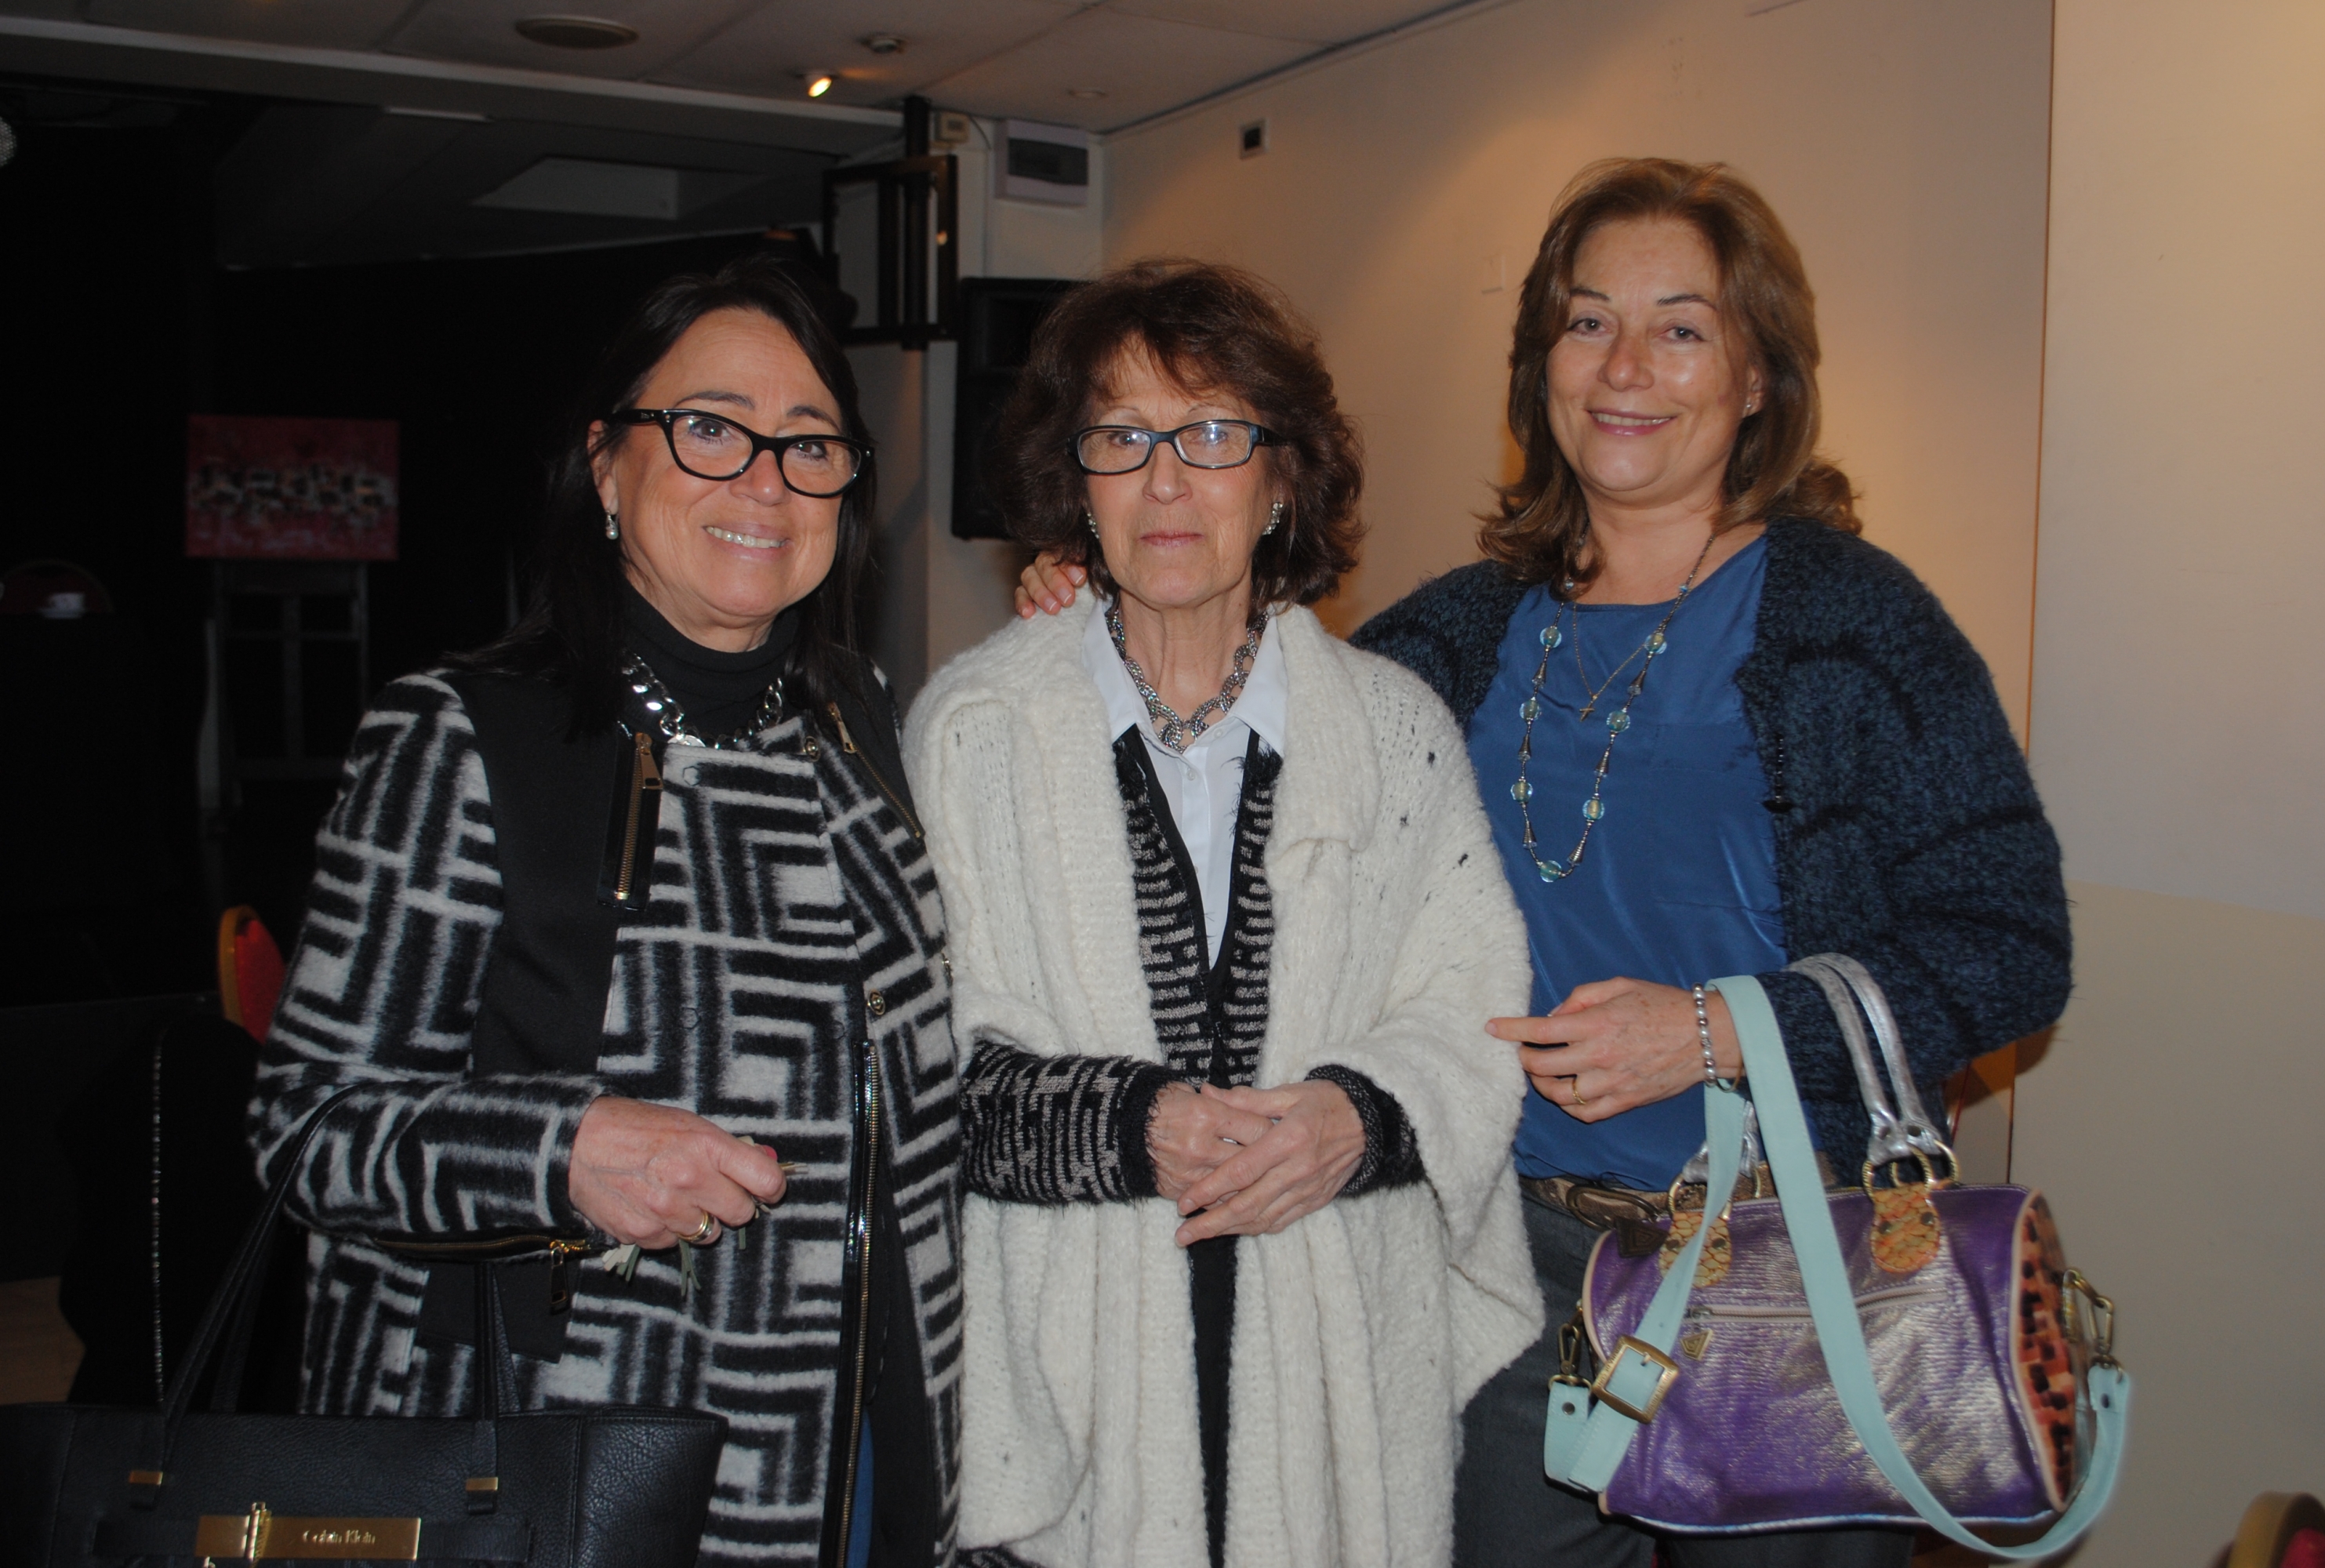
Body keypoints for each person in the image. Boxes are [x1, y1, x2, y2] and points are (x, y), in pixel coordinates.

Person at [1020, 160, 2072, 1566]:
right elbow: (1241, 750)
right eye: (1588, 324)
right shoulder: (1454, 631)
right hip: (1498, 1274)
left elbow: (2010, 941)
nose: (1627, 366)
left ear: (1758, 378)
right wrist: (1108, 621)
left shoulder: (1857, 624)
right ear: (1541, 367)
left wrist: (1715, 1030)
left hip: (1778, 1278)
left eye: (1682, 327)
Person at [249, 253, 960, 1568]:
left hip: (854, 1423)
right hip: (566, 1446)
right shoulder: (464, 735)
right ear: (604, 462)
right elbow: (310, 1129)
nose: (764, 478)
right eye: (708, 429)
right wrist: (562, 1152)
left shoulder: (857, 722)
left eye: (809, 444)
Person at [908, 260, 1539, 1568]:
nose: (1166, 480)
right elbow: (919, 1060)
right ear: (1076, 483)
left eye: (1211, 433)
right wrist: (1129, 1123)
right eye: (1123, 438)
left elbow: (1474, 1012)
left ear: (1283, 478)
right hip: (1070, 1362)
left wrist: (1353, 1118)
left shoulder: (1393, 731)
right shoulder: (976, 732)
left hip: (1332, 1357)